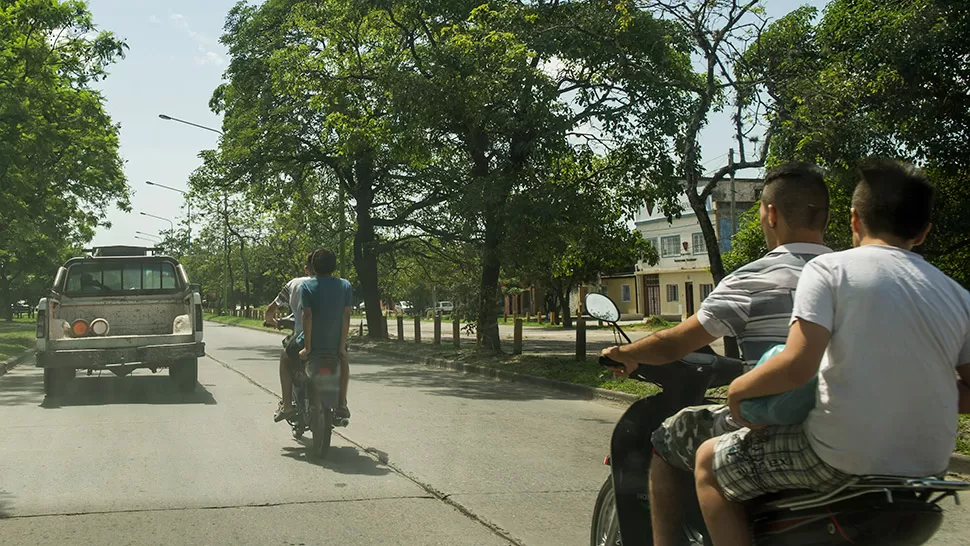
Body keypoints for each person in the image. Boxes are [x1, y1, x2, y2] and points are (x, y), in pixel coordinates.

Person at [695, 159, 970, 545]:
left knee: (707, 460)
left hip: (840, 460)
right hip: (928, 470)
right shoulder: (958, 295)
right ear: (923, 232)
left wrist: (739, 391)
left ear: (854, 220)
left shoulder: (830, 270)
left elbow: (797, 365)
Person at [600, 161, 832, 546]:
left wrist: (627, 353)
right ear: (825, 216)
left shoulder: (754, 278)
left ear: (771, 214)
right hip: (837, 422)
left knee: (666, 437)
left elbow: (675, 342)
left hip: (771, 424)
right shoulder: (850, 276)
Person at [298, 248, 353, 421]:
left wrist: (307, 348)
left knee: (288, 357)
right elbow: (346, 316)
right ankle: (342, 402)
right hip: (335, 343)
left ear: (313, 266)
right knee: (343, 361)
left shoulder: (306, 285)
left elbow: (307, 316)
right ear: (334, 266)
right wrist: (341, 346)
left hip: (313, 344)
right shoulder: (345, 285)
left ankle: (290, 403)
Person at [264, 251, 314, 422]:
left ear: (307, 269)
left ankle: (286, 405)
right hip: (332, 338)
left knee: (286, 358)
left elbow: (272, 307)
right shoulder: (336, 284)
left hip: (302, 336)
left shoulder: (295, 284)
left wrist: (270, 320)